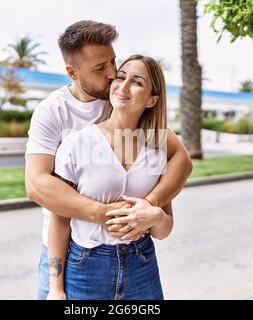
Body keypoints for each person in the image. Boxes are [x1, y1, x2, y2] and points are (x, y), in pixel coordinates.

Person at [24, 20, 192, 300]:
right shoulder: (53, 113)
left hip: (139, 260)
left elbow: (181, 161)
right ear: (72, 72)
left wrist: (150, 207)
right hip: (73, 253)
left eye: (113, 62)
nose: (113, 74)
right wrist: (108, 215)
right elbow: (37, 185)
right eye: (100, 68)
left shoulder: (131, 111)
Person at [47, 55, 174, 300]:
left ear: (152, 100)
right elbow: (60, 221)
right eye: (121, 77)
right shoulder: (78, 143)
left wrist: (156, 215)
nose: (123, 86)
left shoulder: (157, 150)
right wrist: (56, 289)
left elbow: (163, 230)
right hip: (86, 267)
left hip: (142, 265)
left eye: (137, 82)